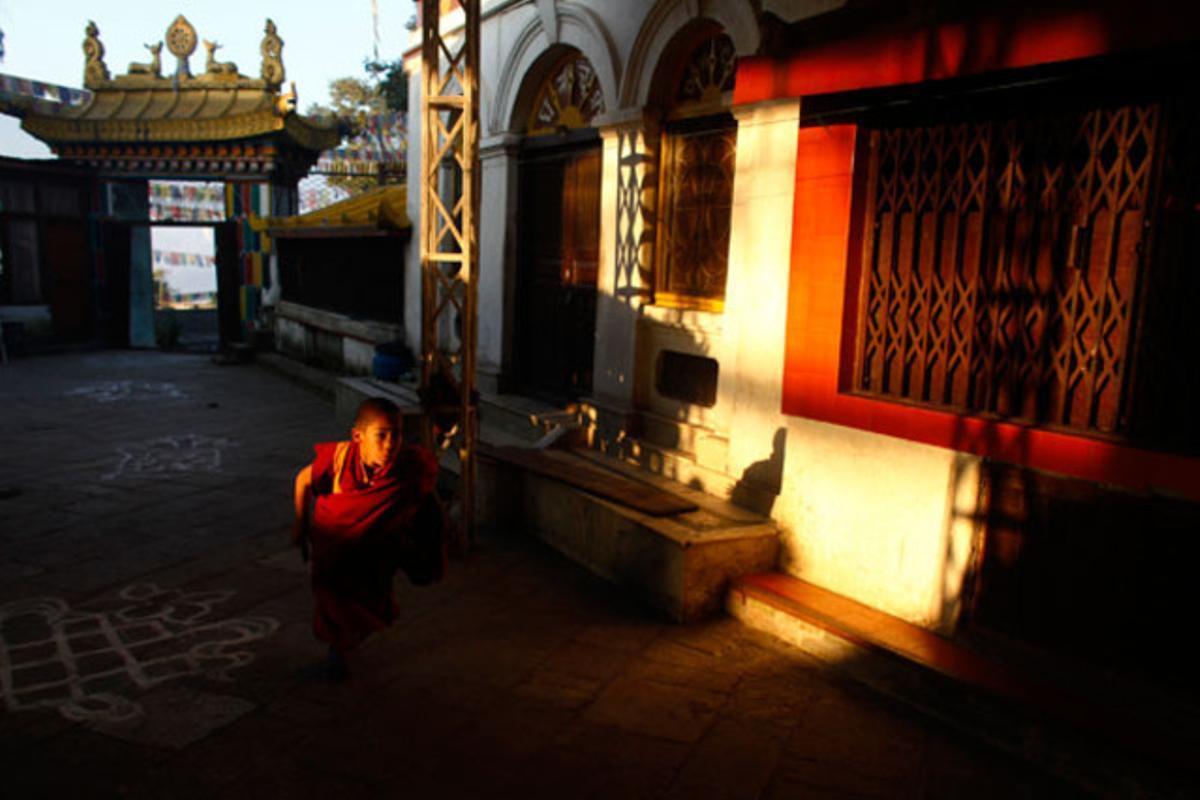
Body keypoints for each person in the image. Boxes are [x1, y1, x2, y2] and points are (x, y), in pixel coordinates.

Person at [292, 397, 443, 680]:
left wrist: (432, 539)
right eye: (381, 436)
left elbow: (426, 501)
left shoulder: (408, 469)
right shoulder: (339, 460)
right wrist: (300, 525)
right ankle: (336, 655)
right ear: (358, 437)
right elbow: (303, 480)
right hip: (335, 550)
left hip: (375, 554)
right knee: (332, 601)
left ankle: (340, 650)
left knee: (369, 602)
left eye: (396, 435)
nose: (389, 445)